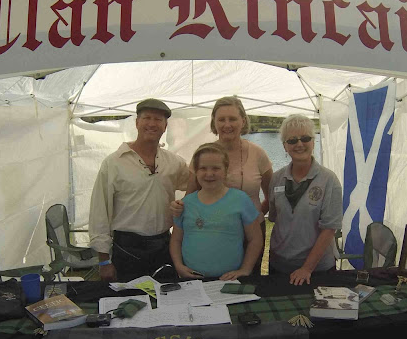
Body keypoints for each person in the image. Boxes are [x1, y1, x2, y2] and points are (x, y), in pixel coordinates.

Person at [89, 98, 189, 282]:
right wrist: (104, 261)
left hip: (163, 247)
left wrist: (182, 205)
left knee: (166, 301)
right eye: (147, 118)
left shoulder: (174, 162)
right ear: (137, 122)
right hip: (126, 250)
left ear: (165, 126)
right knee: (129, 302)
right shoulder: (113, 163)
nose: (152, 124)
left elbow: (198, 184)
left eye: (158, 120)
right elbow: (99, 212)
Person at [171, 96, 272, 274]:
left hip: (252, 231)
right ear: (214, 123)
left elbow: (271, 195)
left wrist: (254, 216)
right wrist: (179, 208)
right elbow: (191, 195)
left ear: (243, 120)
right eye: (221, 119)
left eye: (232, 119)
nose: (227, 125)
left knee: (246, 285)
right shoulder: (204, 154)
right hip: (212, 228)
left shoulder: (259, 154)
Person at [268, 114, 343, 285]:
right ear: (285, 146)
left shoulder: (329, 180)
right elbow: (274, 217)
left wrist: (306, 269)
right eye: (292, 141)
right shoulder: (277, 178)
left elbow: (329, 229)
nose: (299, 144)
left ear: (313, 141)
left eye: (305, 138)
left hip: (316, 270)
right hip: (278, 265)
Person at [170, 142, 263, 280]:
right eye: (203, 168)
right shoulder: (186, 203)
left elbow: (255, 239)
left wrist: (246, 269)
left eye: (216, 168)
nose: (209, 174)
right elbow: (176, 240)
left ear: (226, 170)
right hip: (192, 279)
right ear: (196, 171)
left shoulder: (240, 200)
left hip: (229, 279)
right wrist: (178, 266)